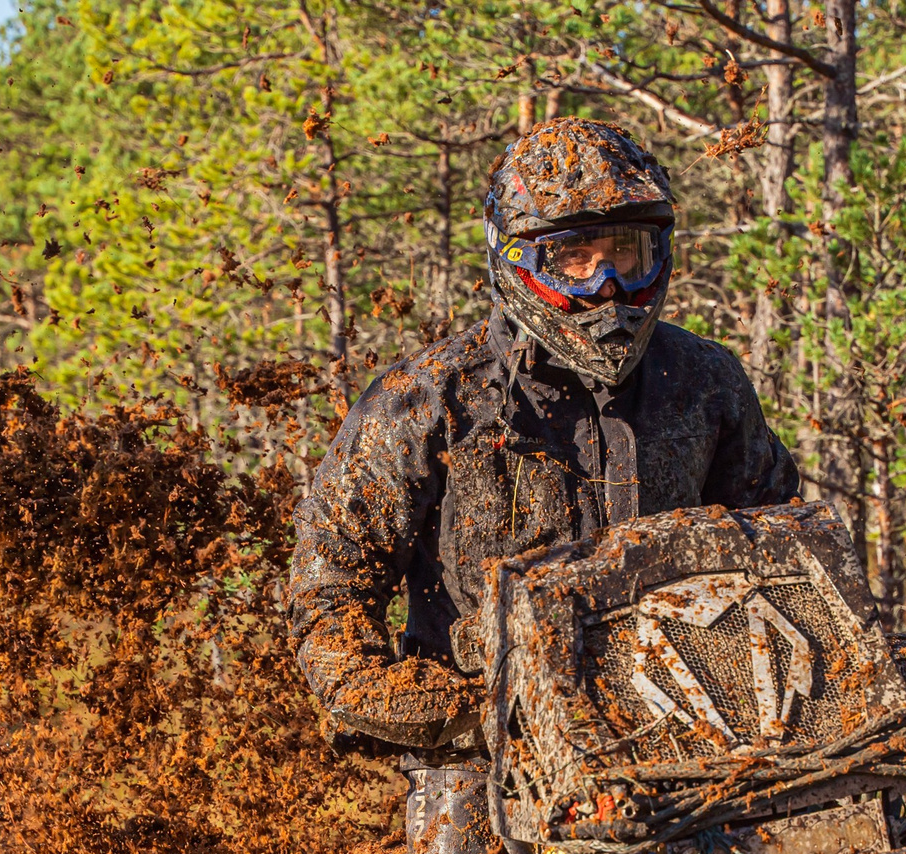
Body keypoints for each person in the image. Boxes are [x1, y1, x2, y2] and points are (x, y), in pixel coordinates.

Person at [287, 117, 802, 757]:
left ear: (659, 255)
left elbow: (780, 541)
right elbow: (329, 588)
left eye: (625, 254)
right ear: (517, 260)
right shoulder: (427, 401)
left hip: (691, 722)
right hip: (492, 745)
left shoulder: (704, 380)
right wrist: (437, 707)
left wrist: (843, 647)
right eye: (574, 260)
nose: (606, 284)